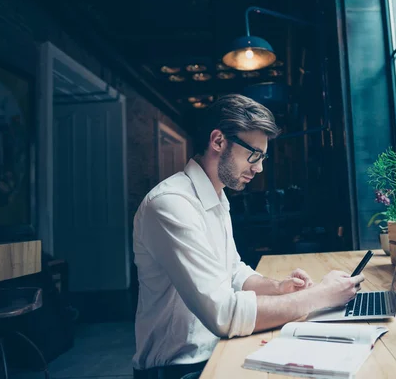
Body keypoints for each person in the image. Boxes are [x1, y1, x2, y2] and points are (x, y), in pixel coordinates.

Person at [132, 94, 364, 379]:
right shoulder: (170, 204)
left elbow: (232, 272)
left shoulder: (216, 196)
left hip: (216, 350)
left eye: (262, 157)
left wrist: (278, 287)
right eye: (254, 155)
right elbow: (224, 315)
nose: (259, 167)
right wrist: (321, 296)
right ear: (218, 141)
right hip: (179, 369)